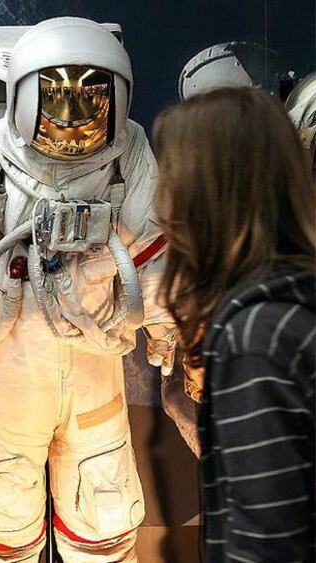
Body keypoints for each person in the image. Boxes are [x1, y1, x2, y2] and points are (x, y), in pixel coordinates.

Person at [0, 17, 177, 563]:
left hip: (91, 344)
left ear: (117, 98)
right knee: (3, 497)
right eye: (59, 101)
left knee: (100, 491)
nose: (74, 121)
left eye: (89, 103)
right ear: (29, 94)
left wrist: (163, 322)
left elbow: (152, 243)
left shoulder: (126, 155)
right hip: (11, 349)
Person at [153, 87, 315, 562]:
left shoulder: (256, 341)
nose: (160, 203)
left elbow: (267, 540)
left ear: (204, 195)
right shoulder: (292, 304)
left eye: (171, 178)